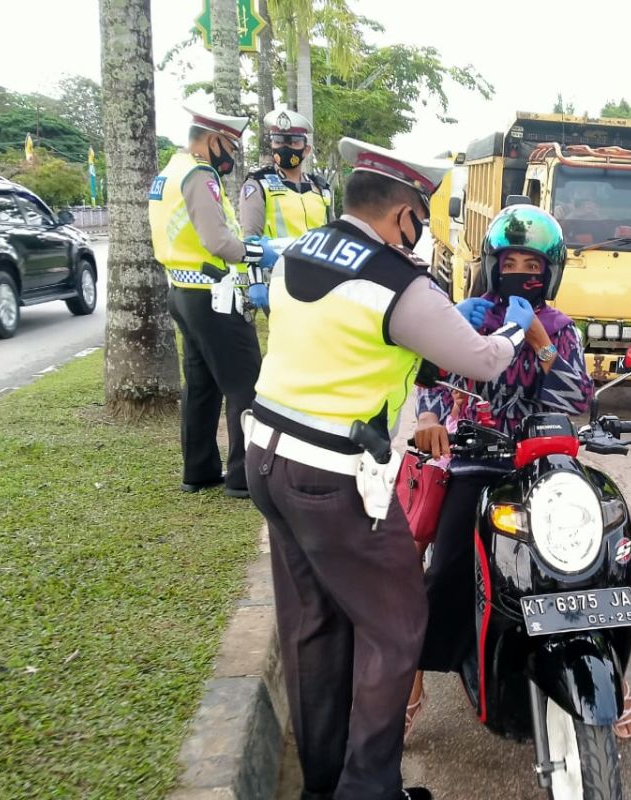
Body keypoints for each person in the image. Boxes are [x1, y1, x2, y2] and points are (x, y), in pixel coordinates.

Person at [245, 137, 537, 800]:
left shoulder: (298, 252)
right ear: (403, 213)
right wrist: (516, 325)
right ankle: (368, 789)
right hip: (329, 480)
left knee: (314, 624)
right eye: (421, 217)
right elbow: (484, 361)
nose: (421, 231)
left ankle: (326, 783)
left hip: (268, 459)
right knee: (396, 622)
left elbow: (342, 339)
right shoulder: (397, 280)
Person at [405, 204, 612, 735]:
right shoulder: (466, 314)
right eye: (510, 259)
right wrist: (430, 414)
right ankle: (414, 673)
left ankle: (609, 675)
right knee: (447, 563)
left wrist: (541, 345)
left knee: (590, 558)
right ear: (492, 264)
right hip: (475, 456)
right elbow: (431, 379)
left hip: (542, 459)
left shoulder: (561, 329)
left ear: (551, 269)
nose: (521, 270)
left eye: (532, 262)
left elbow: (576, 399)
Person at [148, 103, 278, 498]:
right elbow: (218, 241)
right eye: (229, 147)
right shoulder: (198, 173)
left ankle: (199, 470)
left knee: (202, 385)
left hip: (184, 292)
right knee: (246, 385)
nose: (231, 156)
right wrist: (258, 252)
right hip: (213, 294)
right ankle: (243, 477)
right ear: (211, 141)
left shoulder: (168, 172)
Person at [238, 108, 333, 239]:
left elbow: (331, 233)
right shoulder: (259, 185)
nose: (285, 148)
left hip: (316, 259)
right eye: (278, 142)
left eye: (293, 142)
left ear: (306, 150)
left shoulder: (321, 187)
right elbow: (250, 239)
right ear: (271, 145)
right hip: (276, 259)